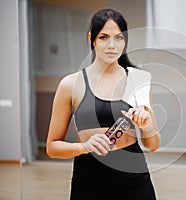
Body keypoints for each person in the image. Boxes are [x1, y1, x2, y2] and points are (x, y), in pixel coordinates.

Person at [46, 8, 160, 200]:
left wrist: (147, 125)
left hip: (134, 181)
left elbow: (153, 144)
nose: (112, 45)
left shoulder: (137, 79)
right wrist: (84, 147)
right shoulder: (70, 84)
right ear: (91, 38)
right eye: (104, 37)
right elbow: (52, 147)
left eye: (118, 38)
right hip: (88, 181)